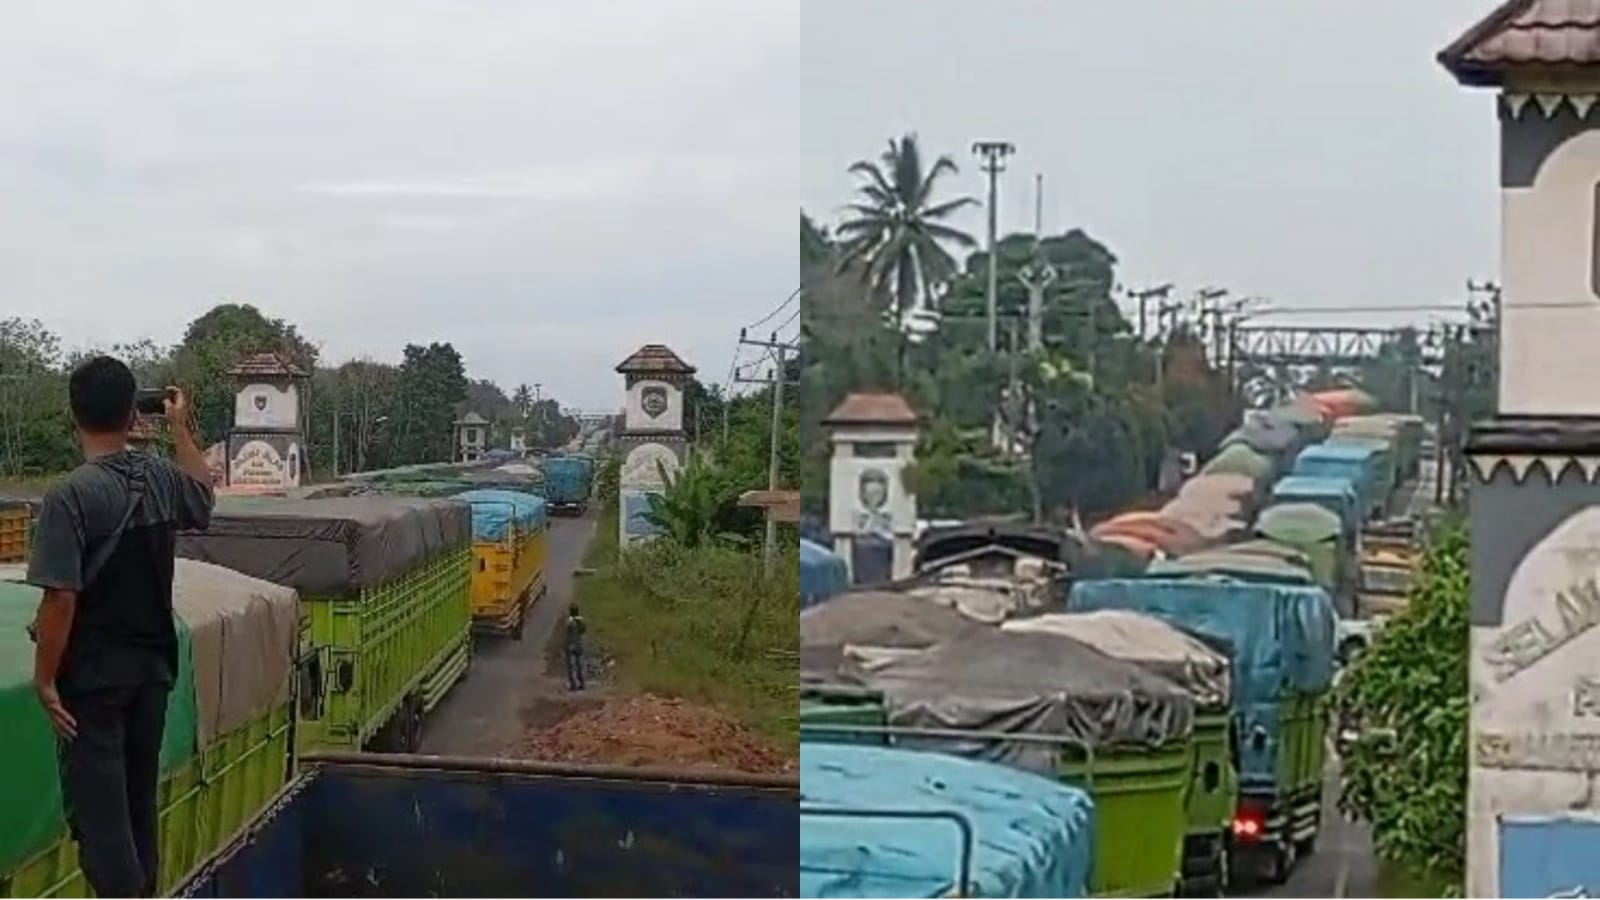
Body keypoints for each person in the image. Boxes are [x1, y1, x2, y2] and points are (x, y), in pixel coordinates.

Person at [28, 356, 215, 899]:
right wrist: (180, 428)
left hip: (94, 684)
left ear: (73, 415)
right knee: (138, 809)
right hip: (152, 673)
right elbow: (202, 499)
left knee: (102, 824)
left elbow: (61, 597)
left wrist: (44, 679)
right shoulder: (160, 478)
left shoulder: (71, 497)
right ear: (135, 413)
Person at [565, 604, 587, 691]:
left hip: (571, 646)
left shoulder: (569, 622)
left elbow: (567, 633)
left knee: (571, 666)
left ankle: (573, 684)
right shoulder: (581, 621)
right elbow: (584, 631)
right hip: (580, 645)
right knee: (580, 666)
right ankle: (582, 683)